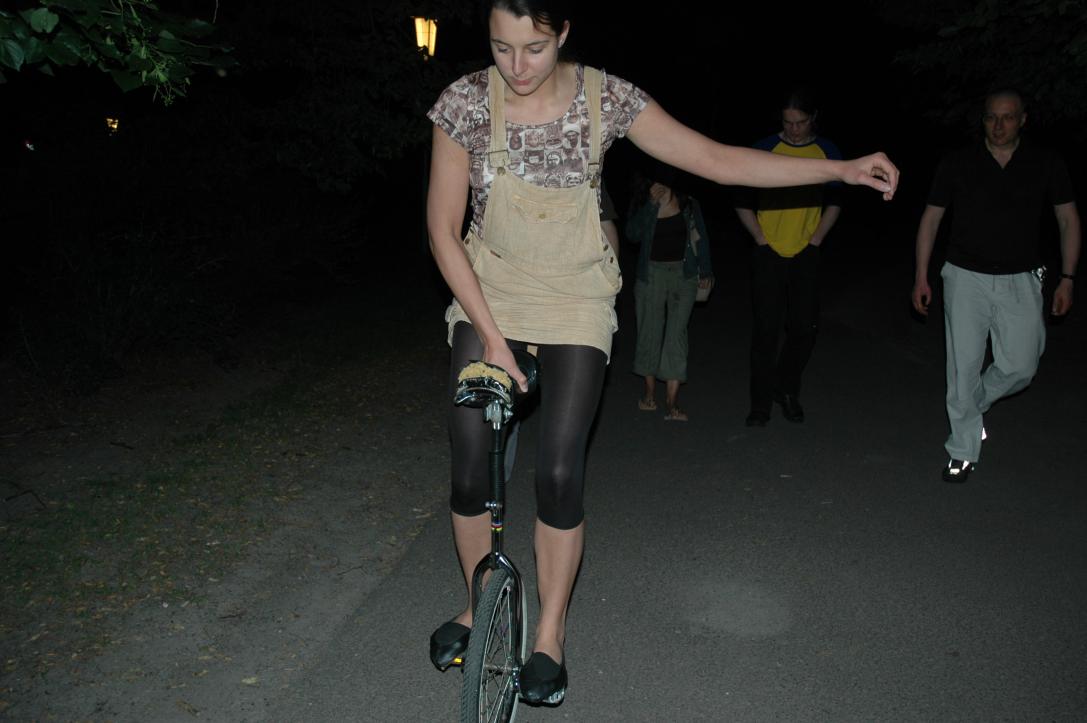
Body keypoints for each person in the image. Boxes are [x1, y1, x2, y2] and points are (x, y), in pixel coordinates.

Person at [426, 0, 898, 705]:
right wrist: (492, 338)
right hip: (487, 288)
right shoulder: (464, 102)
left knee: (558, 470)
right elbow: (441, 228)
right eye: (501, 47)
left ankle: (549, 632)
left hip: (575, 293)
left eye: (534, 48)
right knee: (470, 462)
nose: (516, 67)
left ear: (563, 35)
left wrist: (840, 171)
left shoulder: (606, 97)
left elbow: (714, 159)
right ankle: (476, 600)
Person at [912, 88, 1080, 483]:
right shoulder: (959, 162)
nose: (998, 125)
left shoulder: (1045, 162)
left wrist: (1068, 278)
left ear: (1023, 119)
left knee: (1022, 365)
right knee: (963, 368)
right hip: (964, 275)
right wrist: (921, 274)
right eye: (991, 117)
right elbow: (931, 218)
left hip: (1022, 276)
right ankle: (962, 451)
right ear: (983, 120)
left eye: (1007, 117)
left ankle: (972, 407)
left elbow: (1068, 219)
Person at [735, 89, 842, 427]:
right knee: (765, 331)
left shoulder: (827, 152)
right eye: (788, 122)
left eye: (801, 122)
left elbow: (836, 201)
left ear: (813, 119)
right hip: (768, 251)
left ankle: (786, 388)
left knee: (804, 329)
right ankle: (760, 405)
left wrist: (816, 240)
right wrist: (760, 238)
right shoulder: (765, 149)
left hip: (805, 251)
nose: (794, 129)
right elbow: (740, 197)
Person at [625, 162, 714, 421]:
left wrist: (706, 271)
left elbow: (701, 238)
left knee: (677, 335)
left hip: (683, 275)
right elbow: (632, 234)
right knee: (649, 331)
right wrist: (651, 205)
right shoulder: (642, 200)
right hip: (651, 274)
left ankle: (672, 402)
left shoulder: (688, 202)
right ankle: (649, 395)